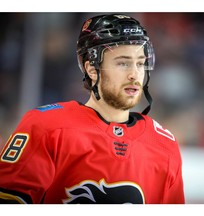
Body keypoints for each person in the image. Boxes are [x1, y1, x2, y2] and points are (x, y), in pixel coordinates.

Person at [0, 14, 185, 204]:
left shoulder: (164, 145)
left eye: (140, 63)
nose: (134, 74)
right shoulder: (46, 127)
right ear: (92, 69)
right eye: (122, 63)